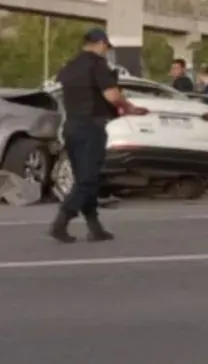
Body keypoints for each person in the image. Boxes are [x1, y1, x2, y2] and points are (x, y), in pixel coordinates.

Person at [49, 28, 149, 244]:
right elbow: (112, 95)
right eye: (106, 46)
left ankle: (95, 228)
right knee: (88, 179)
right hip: (90, 127)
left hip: (71, 127)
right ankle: (62, 220)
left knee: (85, 180)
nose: (106, 51)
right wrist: (129, 108)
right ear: (101, 43)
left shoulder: (70, 65)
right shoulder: (97, 65)